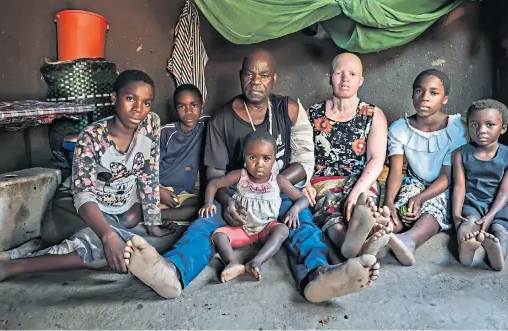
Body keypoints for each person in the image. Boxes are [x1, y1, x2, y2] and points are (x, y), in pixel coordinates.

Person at [122, 49, 380, 303]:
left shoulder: (288, 108)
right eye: (249, 74)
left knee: (302, 224)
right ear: (240, 76)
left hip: (281, 186)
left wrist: (274, 183)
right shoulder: (222, 119)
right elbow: (215, 173)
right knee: (204, 224)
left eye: (264, 75)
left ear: (274, 78)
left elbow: (305, 158)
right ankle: (172, 270)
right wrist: (225, 200)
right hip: (238, 192)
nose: (256, 81)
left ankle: (318, 275)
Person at [0, 70, 175, 307]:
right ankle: (6, 267)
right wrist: (108, 234)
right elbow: (83, 195)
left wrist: (153, 223)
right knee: (105, 246)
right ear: (114, 97)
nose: (138, 109)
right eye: (130, 98)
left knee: (130, 221)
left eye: (146, 102)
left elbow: (149, 172)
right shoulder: (91, 137)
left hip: (118, 204)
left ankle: (30, 250)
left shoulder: (151, 124)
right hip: (76, 206)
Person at [304, 53, 390, 260]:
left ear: (360, 81)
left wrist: (356, 192)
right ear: (330, 77)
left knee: (362, 204)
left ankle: (365, 229)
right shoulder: (312, 113)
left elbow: (376, 159)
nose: (345, 79)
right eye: (339, 73)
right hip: (323, 180)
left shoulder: (372, 114)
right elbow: (302, 153)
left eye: (352, 74)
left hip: (361, 179)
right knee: (329, 207)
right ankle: (350, 245)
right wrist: (305, 181)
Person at [200, 130, 309, 282]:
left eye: (266, 158)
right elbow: (214, 183)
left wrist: (294, 210)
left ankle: (257, 261)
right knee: (219, 235)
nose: (259, 164)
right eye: (252, 157)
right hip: (241, 228)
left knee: (282, 230)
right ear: (244, 157)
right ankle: (233, 262)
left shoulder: (278, 181)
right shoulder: (240, 175)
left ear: (274, 159)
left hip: (266, 228)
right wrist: (208, 203)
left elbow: (302, 199)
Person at [384, 69, 468, 266]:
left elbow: (447, 176)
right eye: (419, 91)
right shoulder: (399, 129)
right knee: (403, 208)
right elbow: (396, 171)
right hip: (414, 180)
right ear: (412, 93)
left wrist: (421, 197)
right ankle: (380, 232)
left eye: (433, 93)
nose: (424, 98)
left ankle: (409, 240)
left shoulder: (456, 128)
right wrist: (388, 201)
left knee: (435, 207)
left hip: (444, 183)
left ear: (445, 98)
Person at [452, 99, 508, 270]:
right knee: (469, 223)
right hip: (472, 201)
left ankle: (498, 254)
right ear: (468, 126)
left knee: (501, 229)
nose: (481, 130)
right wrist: (455, 215)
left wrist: (490, 216)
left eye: (489, 125)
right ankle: (465, 251)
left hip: (500, 204)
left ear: (503, 128)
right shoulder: (460, 154)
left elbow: (504, 193)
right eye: (474, 125)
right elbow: (459, 187)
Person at [159, 84, 209, 222]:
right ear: (176, 109)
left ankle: (157, 215)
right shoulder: (165, 133)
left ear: (201, 105)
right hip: (159, 187)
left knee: (202, 209)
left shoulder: (207, 126)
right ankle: (150, 212)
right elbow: (145, 168)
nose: (188, 112)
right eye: (182, 106)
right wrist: (157, 191)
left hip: (182, 193)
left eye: (194, 105)